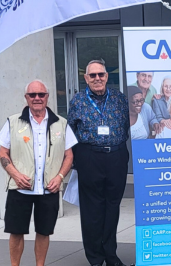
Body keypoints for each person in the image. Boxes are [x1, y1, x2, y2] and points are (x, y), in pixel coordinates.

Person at [0, 80, 76, 266]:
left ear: (47, 97)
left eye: (41, 94)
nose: (37, 98)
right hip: (20, 189)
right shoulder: (13, 122)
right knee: (16, 231)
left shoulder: (61, 123)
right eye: (33, 95)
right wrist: (15, 174)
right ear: (26, 98)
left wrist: (60, 177)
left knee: (44, 231)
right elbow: (3, 152)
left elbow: (69, 156)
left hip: (49, 188)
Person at [68, 59, 130, 266]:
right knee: (92, 209)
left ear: (106, 76)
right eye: (92, 75)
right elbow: (71, 132)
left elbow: (126, 127)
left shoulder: (120, 99)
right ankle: (95, 258)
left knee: (112, 206)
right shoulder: (77, 101)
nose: (97, 79)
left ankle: (111, 256)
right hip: (90, 157)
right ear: (86, 78)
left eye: (101, 75)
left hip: (116, 157)